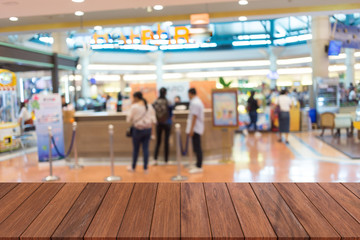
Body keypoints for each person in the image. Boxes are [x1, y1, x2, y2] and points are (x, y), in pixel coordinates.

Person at [127, 91, 156, 173]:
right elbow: (153, 119)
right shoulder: (149, 106)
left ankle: (133, 167)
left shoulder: (134, 107)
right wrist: (153, 133)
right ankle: (145, 168)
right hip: (147, 130)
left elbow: (128, 118)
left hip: (137, 130)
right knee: (145, 149)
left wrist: (131, 105)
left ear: (136, 98)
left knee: (136, 149)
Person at [186, 88, 205, 174]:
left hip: (196, 128)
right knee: (196, 147)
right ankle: (197, 164)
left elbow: (194, 116)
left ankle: (199, 166)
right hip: (197, 128)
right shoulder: (196, 101)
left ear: (190, 94)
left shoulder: (195, 103)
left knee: (197, 147)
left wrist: (191, 129)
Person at [153, 88, 173, 165]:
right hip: (167, 123)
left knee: (158, 141)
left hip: (158, 123)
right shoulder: (168, 102)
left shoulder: (156, 102)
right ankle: (166, 160)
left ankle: (155, 158)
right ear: (165, 93)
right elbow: (171, 113)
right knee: (166, 141)